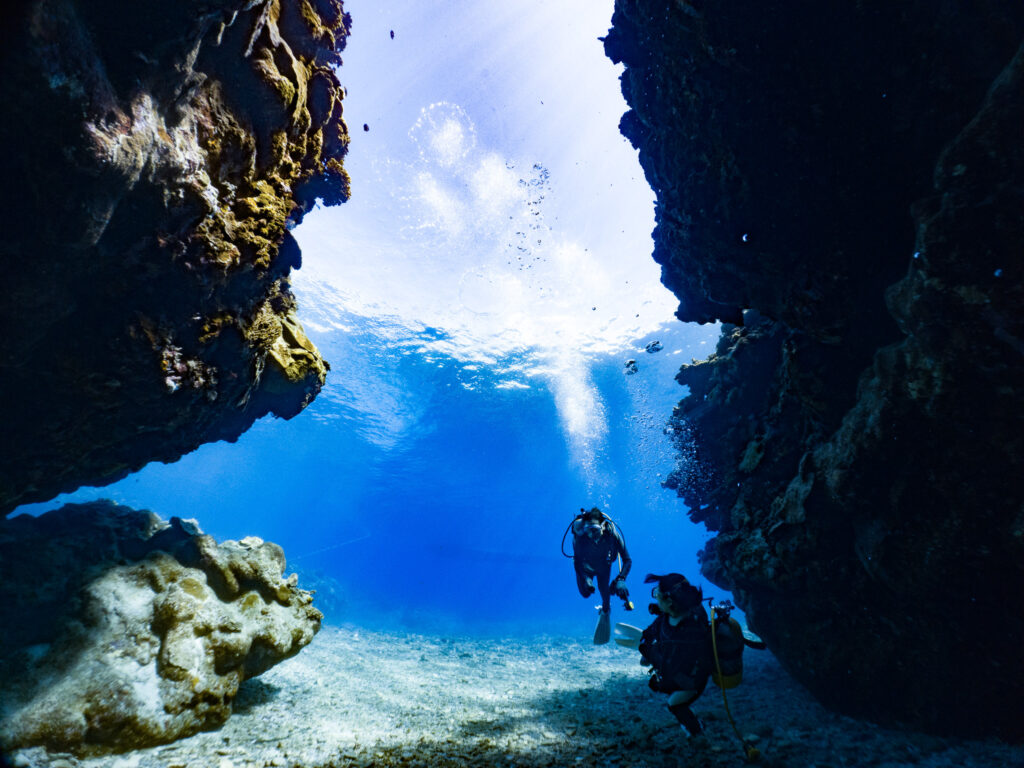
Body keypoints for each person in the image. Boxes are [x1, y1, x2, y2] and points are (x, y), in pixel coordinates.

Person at [638, 573, 712, 737]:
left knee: (674, 703)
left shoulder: (683, 636)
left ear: (670, 601)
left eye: (657, 594)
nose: (656, 598)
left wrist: (648, 653)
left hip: (693, 681)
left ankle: (696, 731)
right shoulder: (689, 611)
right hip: (689, 668)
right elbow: (656, 628)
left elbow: (670, 668)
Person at [568, 507, 632, 644]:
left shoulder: (612, 535)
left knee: (606, 598)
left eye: (595, 530)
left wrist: (621, 579)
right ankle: (591, 585)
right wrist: (586, 579)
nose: (591, 535)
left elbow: (627, 560)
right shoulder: (580, 538)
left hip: (604, 567)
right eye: (588, 530)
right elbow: (577, 563)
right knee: (585, 594)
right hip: (585, 569)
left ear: (603, 526)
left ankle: (605, 610)